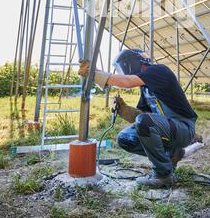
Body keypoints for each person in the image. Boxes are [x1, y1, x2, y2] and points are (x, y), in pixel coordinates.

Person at [79, 49, 198, 188]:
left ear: (130, 64)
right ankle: (171, 155)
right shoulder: (145, 87)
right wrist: (124, 111)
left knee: (144, 122)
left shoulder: (159, 70)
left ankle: (163, 175)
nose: (123, 72)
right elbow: (144, 117)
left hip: (183, 127)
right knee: (125, 139)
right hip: (169, 129)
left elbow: (128, 82)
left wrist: (94, 74)